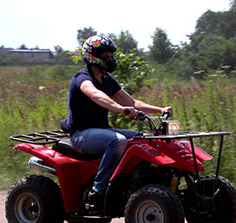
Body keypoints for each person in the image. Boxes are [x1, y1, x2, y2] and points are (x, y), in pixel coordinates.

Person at [60, 35, 172, 212]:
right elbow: (96, 95)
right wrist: (120, 109)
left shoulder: (107, 80)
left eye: (111, 56)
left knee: (142, 139)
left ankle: (134, 183)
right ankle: (98, 191)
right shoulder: (82, 78)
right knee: (118, 140)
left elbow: (133, 102)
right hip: (81, 135)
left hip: (100, 132)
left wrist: (160, 110)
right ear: (92, 57)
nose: (110, 60)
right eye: (106, 57)